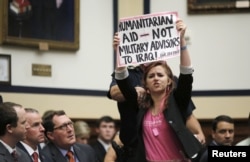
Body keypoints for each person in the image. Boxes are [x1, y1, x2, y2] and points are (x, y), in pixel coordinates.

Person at [113, 19, 202, 161]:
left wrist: (181, 41)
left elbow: (186, 74)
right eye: (151, 76)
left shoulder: (178, 101)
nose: (156, 78)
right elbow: (123, 82)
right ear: (145, 84)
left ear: (169, 81)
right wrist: (120, 52)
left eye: (160, 75)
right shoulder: (140, 104)